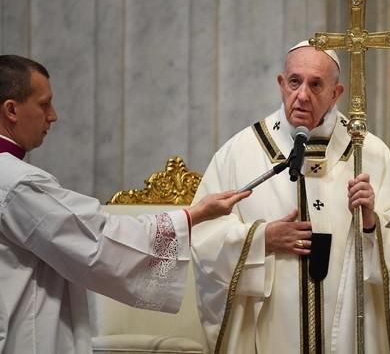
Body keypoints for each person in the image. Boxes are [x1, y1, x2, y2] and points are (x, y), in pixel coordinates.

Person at [0, 55, 250, 354]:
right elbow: (98, 241)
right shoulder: (16, 183)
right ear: (12, 109)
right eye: (44, 104)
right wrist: (193, 215)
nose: (52, 116)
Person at [191, 40, 390, 353]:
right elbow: (203, 239)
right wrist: (261, 239)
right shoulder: (240, 152)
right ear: (280, 84)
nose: (302, 95)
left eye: (316, 85)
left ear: (336, 93)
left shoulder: (368, 153)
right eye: (294, 82)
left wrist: (371, 224)